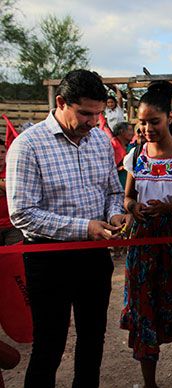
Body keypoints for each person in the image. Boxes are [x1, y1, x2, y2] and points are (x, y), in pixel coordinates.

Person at [5, 69, 128, 388]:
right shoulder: (28, 146)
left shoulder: (100, 140)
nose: (92, 121)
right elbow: (23, 214)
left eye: (98, 114)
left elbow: (112, 191)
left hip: (94, 257)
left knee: (93, 340)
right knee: (49, 344)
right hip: (48, 259)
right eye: (85, 113)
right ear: (61, 102)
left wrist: (115, 215)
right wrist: (85, 227)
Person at [120, 81, 172, 388]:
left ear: (169, 118)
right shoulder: (135, 155)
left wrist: (169, 208)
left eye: (153, 121)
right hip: (143, 248)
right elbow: (127, 197)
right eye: (142, 122)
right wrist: (134, 207)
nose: (146, 128)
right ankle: (150, 383)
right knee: (145, 313)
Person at [0, 140, 22, 245]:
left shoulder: (13, 170)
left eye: (3, 152)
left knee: (14, 257)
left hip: (13, 225)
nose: (0, 156)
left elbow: (18, 189)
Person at [111, 121, 135, 188]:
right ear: (121, 131)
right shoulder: (111, 146)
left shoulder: (131, 147)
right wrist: (118, 169)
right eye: (130, 130)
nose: (133, 133)